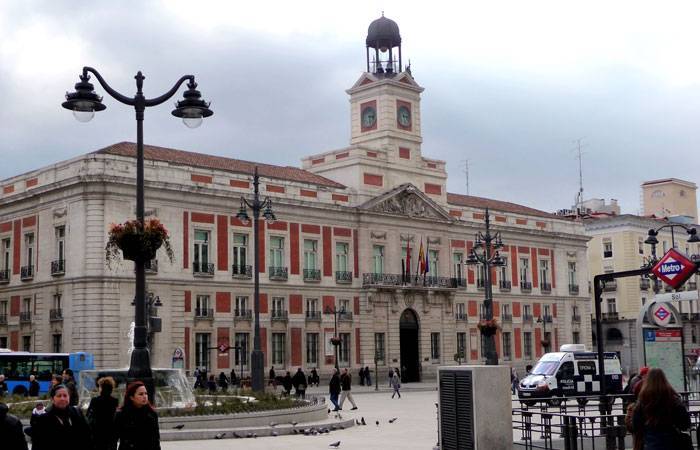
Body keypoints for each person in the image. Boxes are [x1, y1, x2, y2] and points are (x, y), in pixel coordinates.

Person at [630, 368, 691, 450]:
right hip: (672, 444)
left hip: (650, 444)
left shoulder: (643, 401)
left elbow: (636, 426)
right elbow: (685, 424)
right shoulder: (672, 399)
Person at [31, 384, 92, 450]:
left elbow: (87, 437)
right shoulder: (43, 419)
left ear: (69, 397)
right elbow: (38, 444)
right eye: (59, 396)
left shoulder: (77, 413)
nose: (62, 398)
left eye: (65, 396)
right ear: (52, 399)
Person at [115, 381, 161, 450]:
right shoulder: (122, 415)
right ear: (131, 397)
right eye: (141, 394)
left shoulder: (151, 414)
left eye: (146, 393)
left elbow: (156, 440)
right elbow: (113, 438)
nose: (144, 396)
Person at [86, 376, 118, 450]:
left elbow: (88, 415)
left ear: (101, 388)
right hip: (110, 433)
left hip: (97, 432)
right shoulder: (114, 401)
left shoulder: (95, 400)